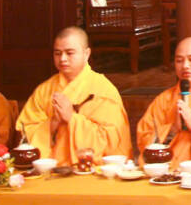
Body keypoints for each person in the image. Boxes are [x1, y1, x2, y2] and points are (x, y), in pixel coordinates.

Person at [17, 26, 131, 164]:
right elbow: (24, 133)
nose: (63, 59)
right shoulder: (44, 90)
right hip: (51, 169)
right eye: (57, 53)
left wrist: (71, 118)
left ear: (86, 54)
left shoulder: (103, 90)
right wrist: (52, 124)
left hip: (92, 170)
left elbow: (112, 141)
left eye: (69, 53)